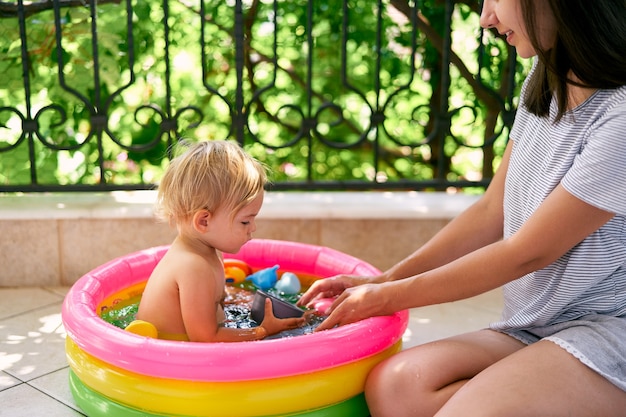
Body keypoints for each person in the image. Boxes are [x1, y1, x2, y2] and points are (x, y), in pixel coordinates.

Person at [297, 1, 626, 415]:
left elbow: (527, 252)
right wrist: (386, 280)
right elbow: (494, 210)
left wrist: (387, 298)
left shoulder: (621, 115)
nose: (486, 18)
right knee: (396, 388)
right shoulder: (545, 81)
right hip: (539, 325)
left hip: (609, 332)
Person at [136, 140, 304, 342]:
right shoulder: (193, 266)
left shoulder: (209, 252)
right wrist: (264, 331)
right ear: (204, 221)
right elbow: (205, 338)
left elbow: (217, 301)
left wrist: (249, 300)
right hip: (170, 358)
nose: (253, 228)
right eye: (245, 221)